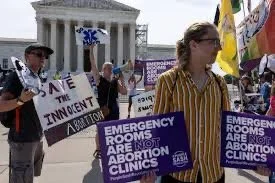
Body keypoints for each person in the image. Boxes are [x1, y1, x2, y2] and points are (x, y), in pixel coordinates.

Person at [153, 22, 270, 183]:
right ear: (193, 44)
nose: (219, 48)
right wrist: (150, 170)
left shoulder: (219, 82)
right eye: (213, 42)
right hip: (178, 175)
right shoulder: (168, 81)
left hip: (213, 174)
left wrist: (254, 162)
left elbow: (229, 129)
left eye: (219, 42)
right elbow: (157, 129)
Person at [0, 43, 54, 183]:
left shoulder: (39, 79)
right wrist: (20, 100)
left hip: (36, 136)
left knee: (28, 176)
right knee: (21, 178)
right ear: (26, 57)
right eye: (38, 54)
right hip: (22, 139)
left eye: (45, 56)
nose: (43, 58)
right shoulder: (16, 77)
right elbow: (1, 105)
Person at [89, 44, 127, 159]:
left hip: (114, 109)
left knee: (113, 129)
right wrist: (91, 49)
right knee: (100, 130)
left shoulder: (115, 81)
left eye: (111, 68)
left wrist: (121, 80)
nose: (110, 70)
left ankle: (111, 148)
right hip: (102, 108)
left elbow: (124, 92)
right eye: (107, 68)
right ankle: (99, 149)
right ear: (103, 70)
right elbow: (93, 64)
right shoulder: (99, 79)